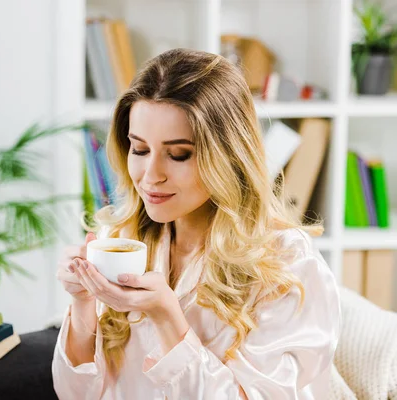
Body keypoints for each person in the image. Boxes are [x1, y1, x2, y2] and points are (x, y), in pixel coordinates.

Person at [52, 49, 340, 399]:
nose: (151, 176)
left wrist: (167, 317)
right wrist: (82, 304)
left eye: (178, 155)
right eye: (139, 150)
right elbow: (74, 395)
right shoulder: (121, 241)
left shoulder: (286, 264)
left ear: (228, 156)